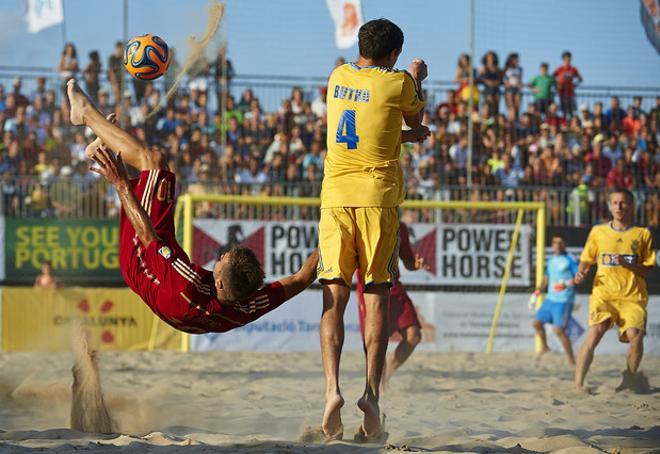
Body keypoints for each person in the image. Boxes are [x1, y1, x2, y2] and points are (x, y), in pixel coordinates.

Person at [66, 79, 319, 335]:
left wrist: (121, 184)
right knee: (159, 169)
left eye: (222, 260)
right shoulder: (246, 304)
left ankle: (84, 113)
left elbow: (147, 236)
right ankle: (101, 143)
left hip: (140, 261)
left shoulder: (186, 284)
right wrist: (333, 235)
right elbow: (301, 278)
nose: (219, 257)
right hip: (167, 285)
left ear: (218, 281)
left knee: (152, 160)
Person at [317, 18, 427, 442]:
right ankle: (369, 394)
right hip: (376, 200)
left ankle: (331, 391)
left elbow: (370, 123)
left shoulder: (338, 75)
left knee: (333, 297)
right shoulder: (399, 81)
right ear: (395, 54)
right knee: (376, 299)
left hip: (335, 198)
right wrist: (417, 80)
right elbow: (413, 108)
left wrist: (405, 136)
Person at [574, 189, 656, 393]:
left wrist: (628, 265)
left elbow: (648, 269)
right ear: (610, 206)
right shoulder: (598, 232)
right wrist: (581, 272)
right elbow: (587, 258)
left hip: (632, 296)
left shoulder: (642, 234)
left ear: (631, 206)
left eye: (623, 203)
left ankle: (629, 380)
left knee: (635, 335)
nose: (619, 207)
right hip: (604, 293)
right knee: (595, 333)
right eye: (615, 203)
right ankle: (578, 384)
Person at [356, 221, 426, 387]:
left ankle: (387, 373)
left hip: (394, 286)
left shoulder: (399, 226)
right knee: (376, 342)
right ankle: (378, 390)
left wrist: (415, 265)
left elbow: (408, 260)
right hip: (370, 286)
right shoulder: (364, 221)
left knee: (413, 335)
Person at [531, 235, 578, 365]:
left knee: (558, 330)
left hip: (564, 299)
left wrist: (566, 284)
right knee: (536, 323)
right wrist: (538, 291)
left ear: (564, 245)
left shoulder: (570, 259)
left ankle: (571, 360)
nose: (557, 245)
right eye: (554, 242)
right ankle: (545, 347)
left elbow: (579, 277)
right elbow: (546, 278)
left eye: (560, 242)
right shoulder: (551, 260)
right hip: (550, 299)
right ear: (552, 245)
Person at [552, 51, 582, 119]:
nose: (567, 60)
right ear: (563, 59)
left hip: (571, 93)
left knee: (572, 111)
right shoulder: (559, 69)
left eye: (569, 59)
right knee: (564, 111)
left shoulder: (573, 69)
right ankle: (564, 123)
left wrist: (575, 85)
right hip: (562, 93)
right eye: (566, 59)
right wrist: (557, 84)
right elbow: (552, 78)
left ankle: (571, 123)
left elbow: (580, 79)